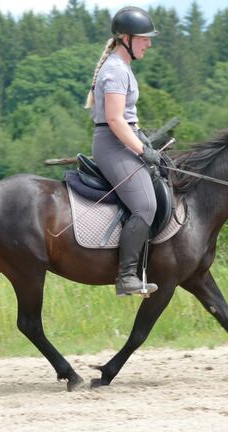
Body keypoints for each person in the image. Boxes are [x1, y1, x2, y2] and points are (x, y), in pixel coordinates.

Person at [84, 6, 162, 297]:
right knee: (145, 206)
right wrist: (142, 150)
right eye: (144, 38)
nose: (149, 43)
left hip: (123, 138)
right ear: (126, 38)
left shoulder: (122, 67)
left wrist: (144, 142)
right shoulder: (115, 71)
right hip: (113, 144)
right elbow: (116, 120)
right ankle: (126, 275)